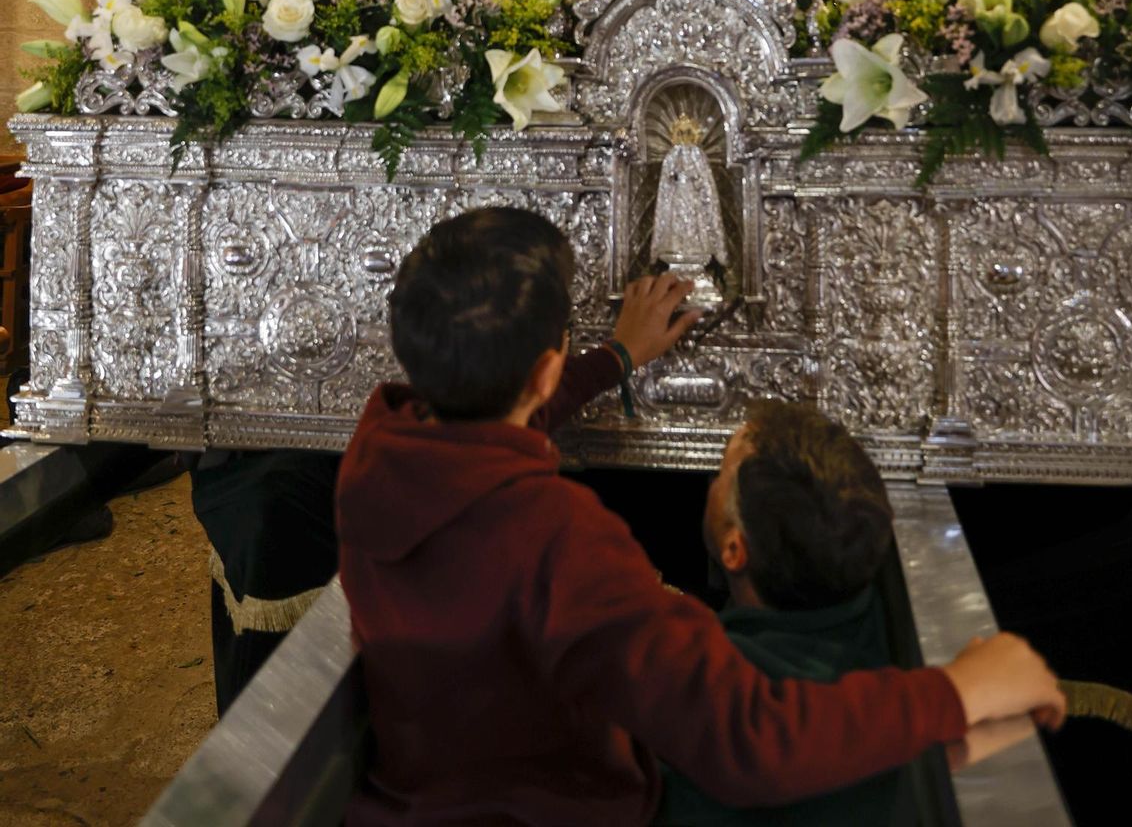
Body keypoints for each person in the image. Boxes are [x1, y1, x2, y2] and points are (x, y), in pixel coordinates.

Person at [337, 206, 1064, 826]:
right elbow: (747, 742)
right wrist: (955, 690)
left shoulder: (380, 447)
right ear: (545, 372)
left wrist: (615, 357)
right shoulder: (561, 538)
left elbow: (491, 431)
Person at [656, 401, 911, 825]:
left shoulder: (702, 713)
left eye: (721, 475)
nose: (711, 483)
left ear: (735, 551)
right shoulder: (867, 601)